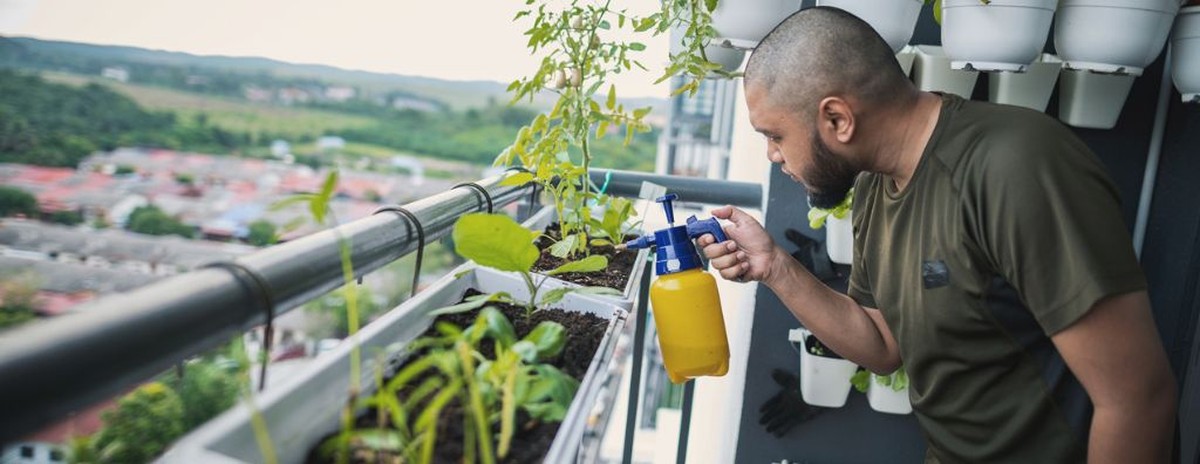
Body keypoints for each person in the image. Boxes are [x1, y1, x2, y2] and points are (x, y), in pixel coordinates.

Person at [697, 7, 1178, 463]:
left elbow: (1137, 399)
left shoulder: (1016, 167)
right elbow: (882, 345)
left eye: (775, 135)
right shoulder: (874, 188)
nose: (772, 155)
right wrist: (776, 267)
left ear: (838, 119)